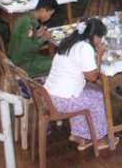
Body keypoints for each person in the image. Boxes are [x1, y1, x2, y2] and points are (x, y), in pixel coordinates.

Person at [44, 18, 117, 150]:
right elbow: (92, 77)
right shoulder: (85, 48)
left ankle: (79, 135)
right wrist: (99, 55)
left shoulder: (68, 42)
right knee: (97, 97)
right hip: (61, 101)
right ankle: (99, 140)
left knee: (82, 92)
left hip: (48, 95)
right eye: (100, 37)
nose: (100, 40)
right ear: (95, 36)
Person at [7, 0, 57, 77]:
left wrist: (37, 34)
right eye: (50, 14)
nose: (49, 17)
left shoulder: (26, 18)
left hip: (18, 60)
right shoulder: (28, 23)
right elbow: (25, 50)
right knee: (57, 64)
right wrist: (43, 39)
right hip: (22, 65)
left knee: (54, 59)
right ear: (42, 10)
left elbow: (25, 41)